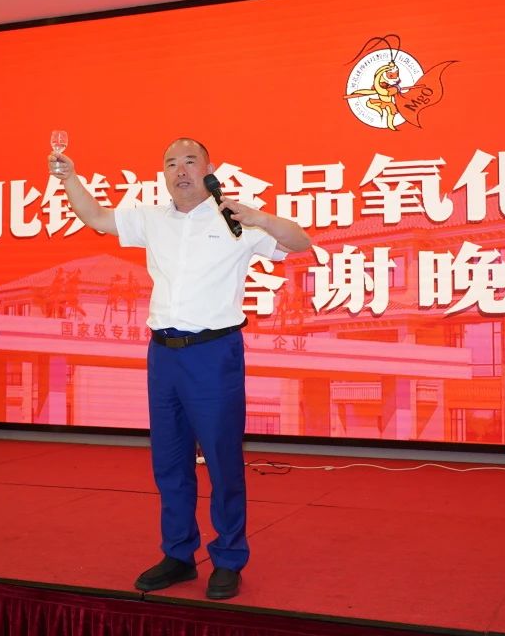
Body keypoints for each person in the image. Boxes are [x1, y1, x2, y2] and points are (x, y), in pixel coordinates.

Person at [50, 137, 311, 600]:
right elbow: (96, 218)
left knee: (222, 462)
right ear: (164, 174)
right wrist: (69, 178)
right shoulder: (151, 219)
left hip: (214, 354)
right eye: (171, 163)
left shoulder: (235, 219)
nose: (181, 170)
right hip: (163, 355)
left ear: (209, 169)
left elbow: (300, 242)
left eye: (190, 161)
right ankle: (178, 554)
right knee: (170, 461)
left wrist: (261, 217)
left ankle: (228, 557)